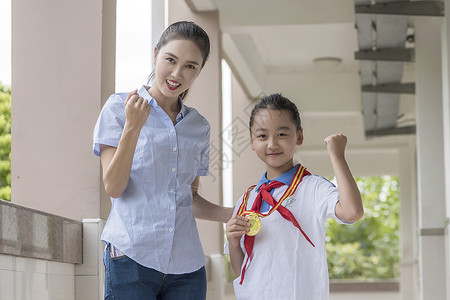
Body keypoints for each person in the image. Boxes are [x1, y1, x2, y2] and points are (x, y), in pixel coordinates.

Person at [93, 21, 233, 300]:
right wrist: (133, 127)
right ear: (156, 54)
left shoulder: (199, 126)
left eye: (190, 66)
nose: (177, 73)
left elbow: (190, 199)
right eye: (170, 60)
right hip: (131, 258)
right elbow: (114, 187)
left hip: (187, 267)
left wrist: (238, 213)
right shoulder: (119, 109)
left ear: (199, 71)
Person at [225, 93, 364, 300]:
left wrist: (337, 155)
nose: (272, 144)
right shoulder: (247, 199)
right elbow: (242, 269)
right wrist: (234, 242)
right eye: (262, 136)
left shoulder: (312, 187)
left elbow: (352, 212)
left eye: (281, 134)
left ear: (299, 136)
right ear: (252, 141)